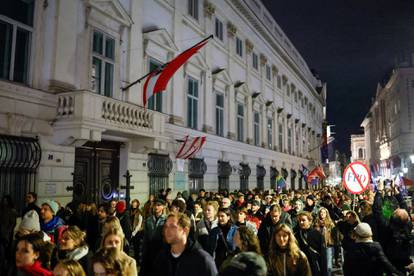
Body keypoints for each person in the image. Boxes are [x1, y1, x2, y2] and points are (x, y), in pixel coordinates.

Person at [151, 213, 218, 276]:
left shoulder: (202, 259)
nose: (167, 230)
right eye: (166, 227)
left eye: (172, 227)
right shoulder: (161, 257)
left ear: (185, 230)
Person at [295, 211, 327, 276]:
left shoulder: (317, 234)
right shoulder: (296, 235)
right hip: (302, 266)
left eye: (303, 220)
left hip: (315, 265)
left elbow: (323, 255)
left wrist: (324, 272)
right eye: (299, 220)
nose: (301, 222)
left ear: (310, 221)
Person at [140, 198, 167, 276]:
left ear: (163, 207)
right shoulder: (149, 220)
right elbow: (146, 237)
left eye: (159, 205)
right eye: (155, 205)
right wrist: (144, 251)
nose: (156, 207)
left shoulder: (166, 219)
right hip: (150, 249)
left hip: (161, 248)